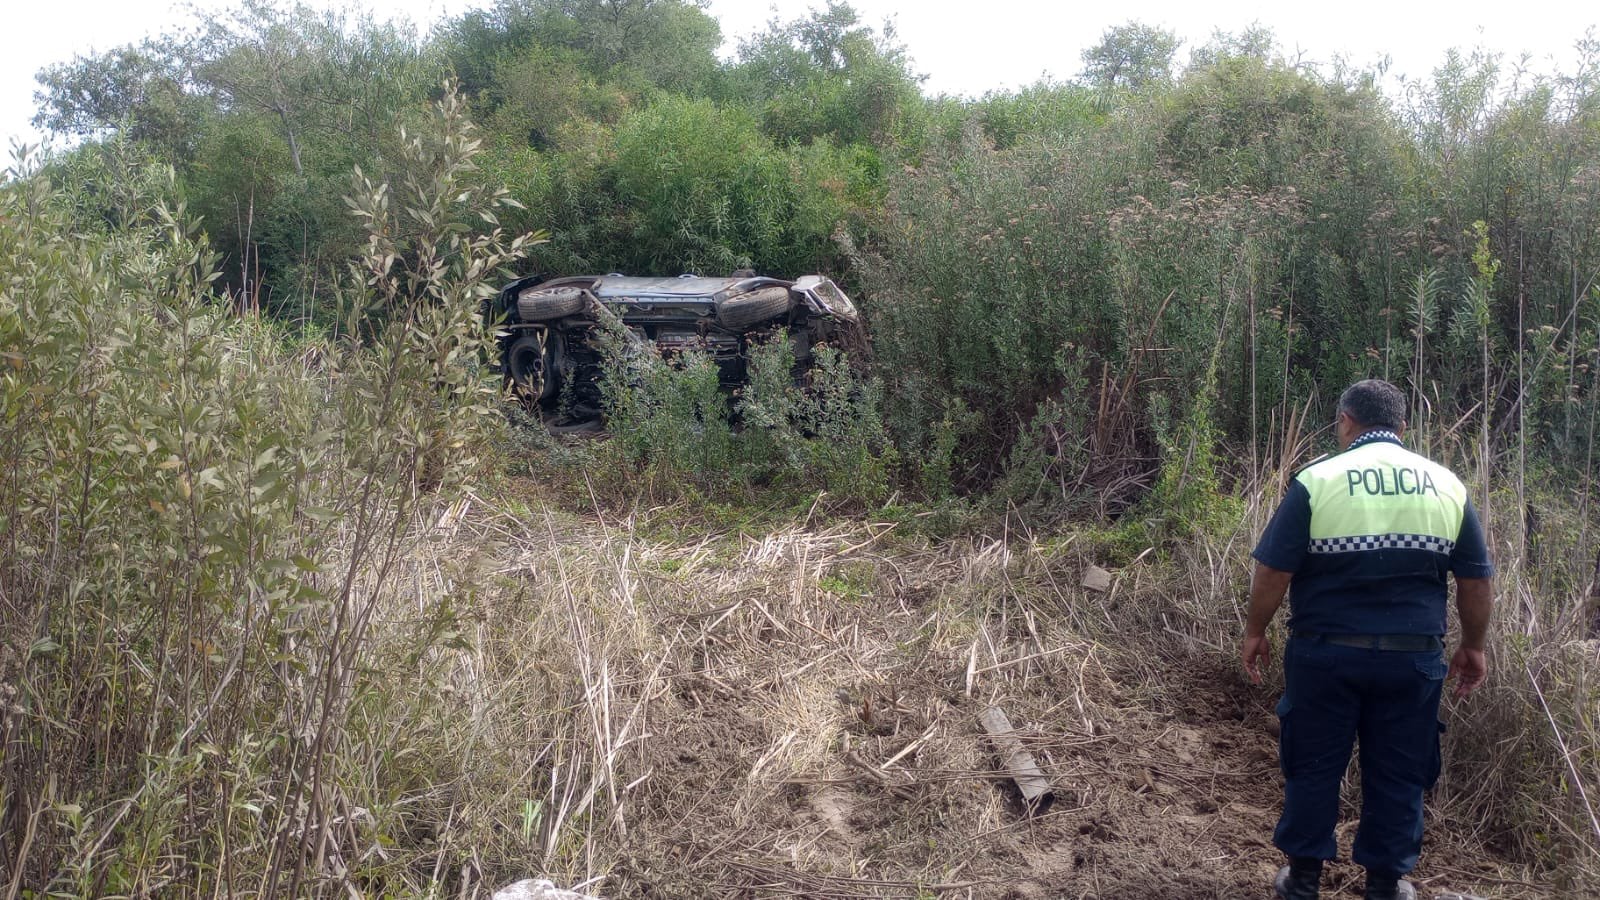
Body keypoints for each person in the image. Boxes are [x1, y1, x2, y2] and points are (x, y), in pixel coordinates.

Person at [1241, 379, 1495, 900]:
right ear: (1403, 428)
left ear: (1345, 421)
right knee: (1401, 772)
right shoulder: (1446, 484)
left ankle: (1304, 879)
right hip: (1412, 660)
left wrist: (1255, 630)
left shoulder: (1318, 479)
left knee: (1313, 765)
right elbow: (1475, 580)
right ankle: (1386, 883)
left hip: (1325, 653)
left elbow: (1273, 570)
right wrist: (1473, 643)